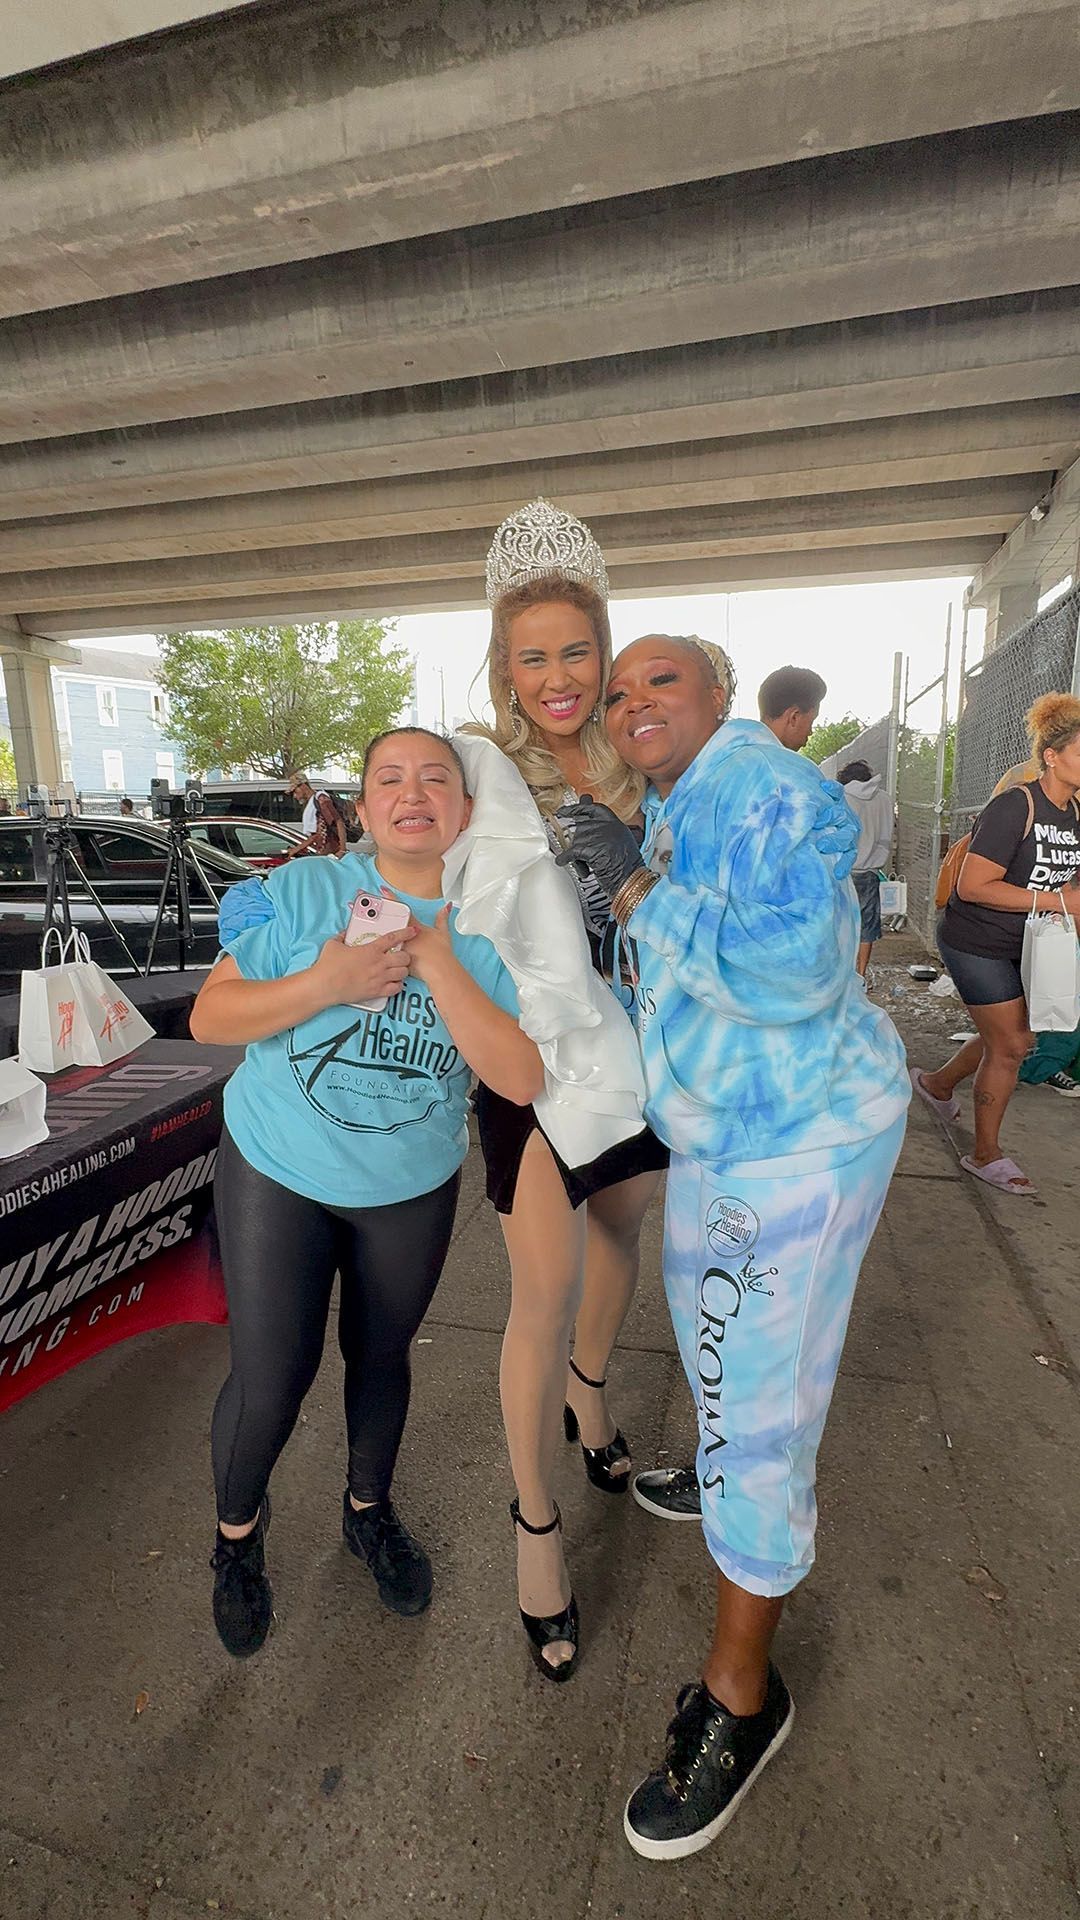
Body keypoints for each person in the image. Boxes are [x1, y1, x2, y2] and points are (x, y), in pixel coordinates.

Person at [559, 635, 909, 1858]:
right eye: (620, 689)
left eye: (661, 680)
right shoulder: (670, 805)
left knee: (759, 1409)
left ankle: (741, 1701)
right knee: (709, 1334)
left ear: (720, 693)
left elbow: (801, 968)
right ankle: (718, 1462)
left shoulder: (773, 790)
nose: (633, 700)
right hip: (725, 1138)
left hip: (800, 1143)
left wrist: (642, 894)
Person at [190, 728, 541, 1658]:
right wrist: (328, 979)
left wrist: (434, 958)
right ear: (365, 803)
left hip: (409, 1184)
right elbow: (211, 1014)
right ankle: (236, 1541)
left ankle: (367, 1512)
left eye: (436, 779)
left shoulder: (492, 926)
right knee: (272, 1378)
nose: (413, 792)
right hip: (279, 1168)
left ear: (464, 811)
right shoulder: (308, 891)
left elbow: (518, 1077)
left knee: (381, 1360)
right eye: (390, 777)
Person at [465, 498, 679, 1679]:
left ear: (605, 651)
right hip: (529, 1059)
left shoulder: (640, 755)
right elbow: (407, 859)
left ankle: (589, 1400)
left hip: (638, 1054)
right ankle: (534, 1527)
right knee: (535, 1290)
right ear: (504, 666)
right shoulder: (472, 764)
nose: (557, 674)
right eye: (531, 655)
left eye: (575, 650)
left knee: (620, 1231)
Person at [911, 693, 1080, 1191]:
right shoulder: (1017, 805)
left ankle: (938, 1085)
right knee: (1013, 1044)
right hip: (976, 940)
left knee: (1003, 1036)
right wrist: (1060, 904)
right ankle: (985, 1155)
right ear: (1052, 756)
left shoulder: (1078, 812)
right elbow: (973, 886)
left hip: (1034, 943)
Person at [837, 759, 896, 975]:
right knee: (867, 925)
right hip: (871, 870)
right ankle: (861, 974)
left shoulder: (841, 796)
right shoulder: (884, 799)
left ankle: (841, 972)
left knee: (841, 922)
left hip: (842, 870)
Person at [757, 665, 827, 752]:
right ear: (794, 717)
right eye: (811, 722)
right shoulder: (788, 765)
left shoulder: (738, 755)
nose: (810, 732)